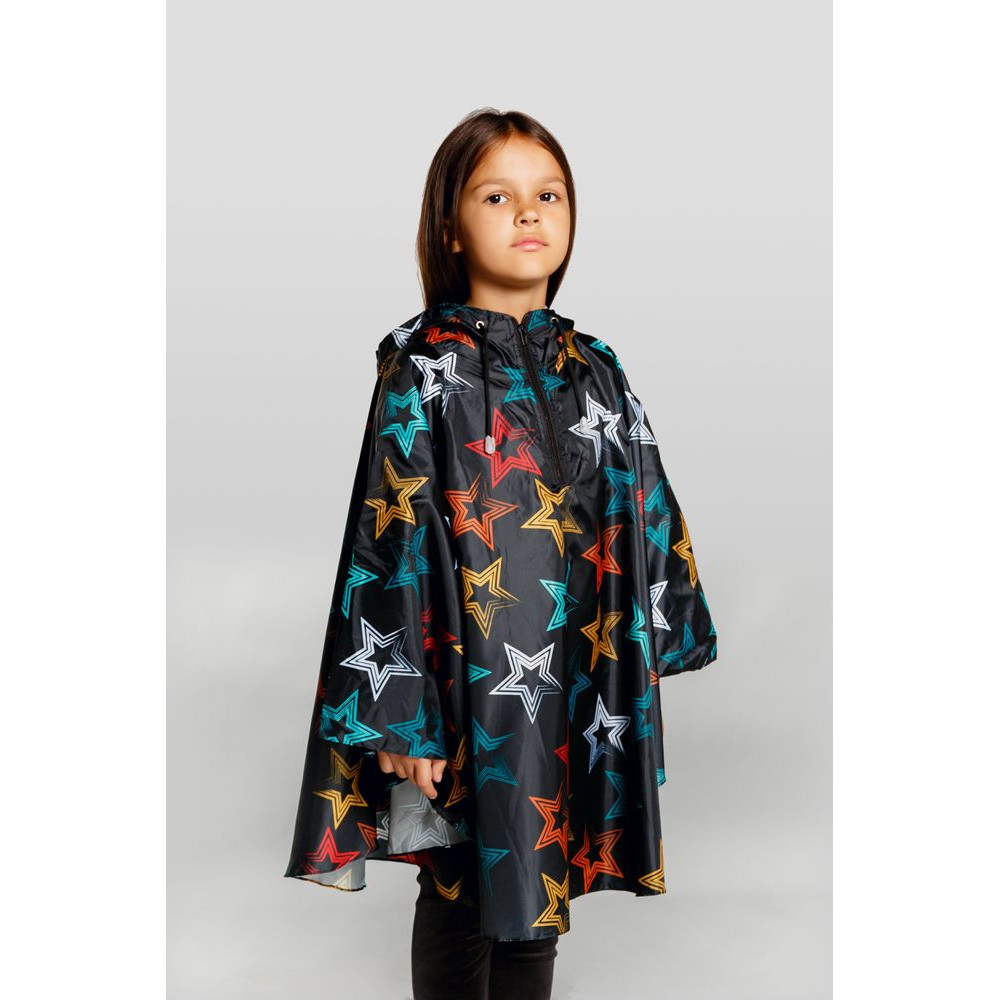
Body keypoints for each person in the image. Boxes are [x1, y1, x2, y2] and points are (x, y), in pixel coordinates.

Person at [283, 108, 720, 1000]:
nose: (528, 213)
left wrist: (652, 641)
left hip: (571, 679)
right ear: (450, 226)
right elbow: (387, 536)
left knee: (539, 881)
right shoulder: (423, 370)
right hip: (460, 689)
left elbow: (646, 505)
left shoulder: (596, 367)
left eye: (548, 195)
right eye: (496, 196)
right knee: (463, 885)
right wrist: (400, 714)